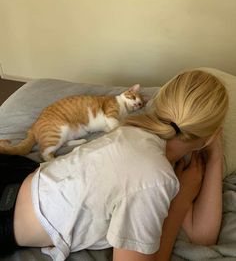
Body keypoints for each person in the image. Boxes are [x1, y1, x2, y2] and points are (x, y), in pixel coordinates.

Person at [0, 69, 228, 261]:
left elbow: (200, 234)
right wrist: (182, 200)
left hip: (23, 178)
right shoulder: (155, 178)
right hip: (8, 215)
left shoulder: (134, 131)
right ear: (208, 136)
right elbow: (202, 236)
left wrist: (209, 163)